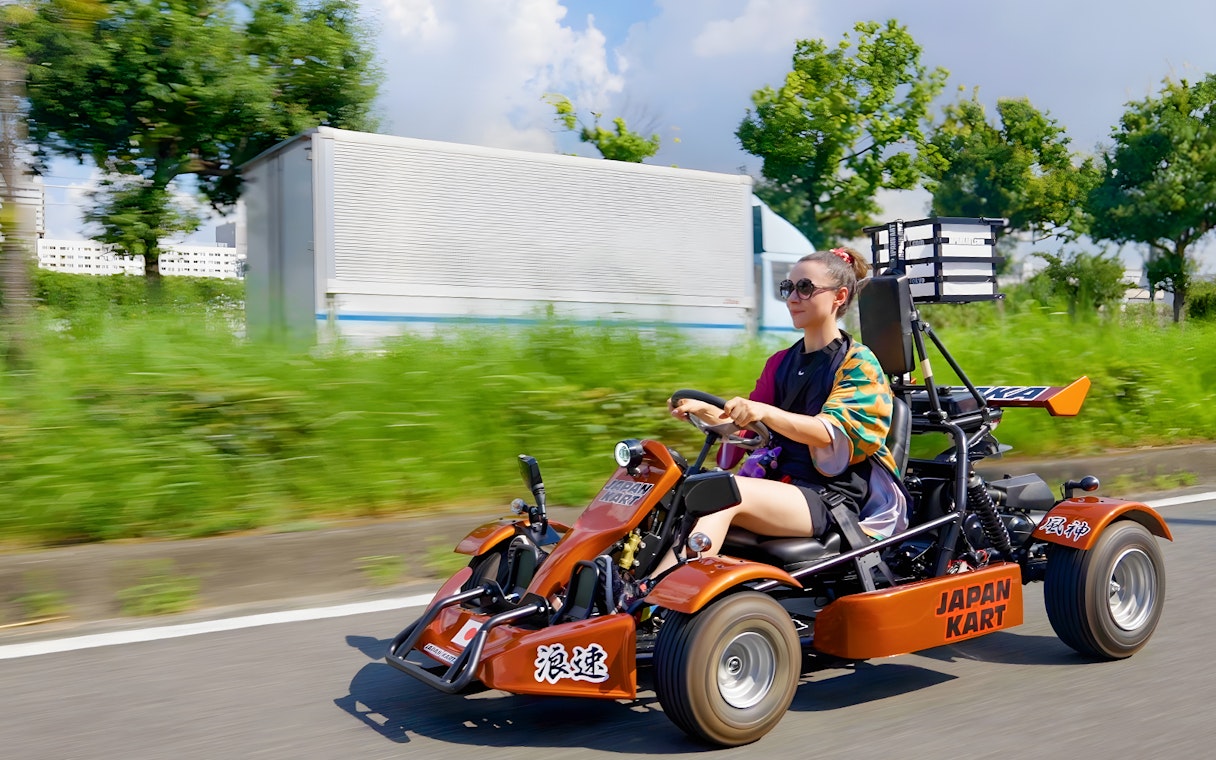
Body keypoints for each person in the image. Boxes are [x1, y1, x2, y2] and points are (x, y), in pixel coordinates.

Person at [654, 247, 907, 577]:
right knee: (666, 486)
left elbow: (830, 432)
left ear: (839, 296)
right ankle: (609, 587)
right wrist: (706, 412)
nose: (792, 298)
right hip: (780, 486)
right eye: (788, 288)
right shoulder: (781, 362)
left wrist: (764, 411)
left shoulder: (858, 363)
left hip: (828, 497)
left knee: (721, 492)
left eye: (805, 288)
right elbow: (745, 430)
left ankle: (658, 599)